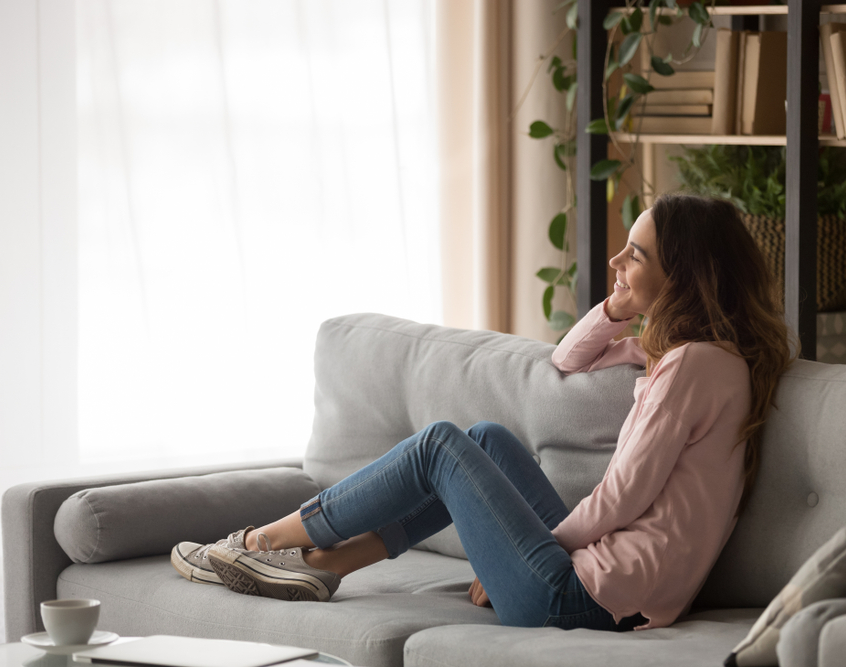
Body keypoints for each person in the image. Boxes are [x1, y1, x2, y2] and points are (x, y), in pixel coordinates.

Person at [170, 193, 796, 631]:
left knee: (443, 445)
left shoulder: (689, 367)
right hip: (610, 588)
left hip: (585, 598)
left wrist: (528, 555)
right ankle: (328, 565)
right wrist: (615, 308)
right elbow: (567, 358)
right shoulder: (701, 357)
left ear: (682, 276)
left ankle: (260, 541)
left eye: (634, 254)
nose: (616, 262)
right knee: (487, 441)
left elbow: (622, 499)